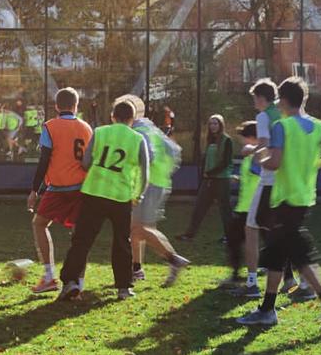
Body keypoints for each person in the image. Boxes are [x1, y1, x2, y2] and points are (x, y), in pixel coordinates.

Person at [236, 76, 321, 334]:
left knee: (298, 254)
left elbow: (274, 163)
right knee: (278, 253)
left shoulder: (283, 127)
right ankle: (267, 310)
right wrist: (317, 164)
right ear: (304, 99)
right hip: (304, 197)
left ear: (283, 101)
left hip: (284, 198)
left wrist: (257, 153)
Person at [58, 98, 149, 301]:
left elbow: (86, 162)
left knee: (82, 240)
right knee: (121, 243)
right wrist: (139, 194)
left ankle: (70, 282)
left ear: (112, 116)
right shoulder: (137, 139)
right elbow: (145, 172)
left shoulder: (100, 132)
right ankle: (124, 288)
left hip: (94, 192)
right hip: (121, 196)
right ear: (132, 119)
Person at [26, 87, 93, 296]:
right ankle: (79, 283)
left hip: (58, 187)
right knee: (80, 236)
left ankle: (48, 276)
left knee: (39, 224)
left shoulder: (50, 126)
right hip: (81, 187)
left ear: (56, 106)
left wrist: (34, 190)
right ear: (76, 106)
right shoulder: (86, 128)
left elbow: (44, 160)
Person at [239, 79, 302, 300]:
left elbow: (264, 143)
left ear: (260, 98)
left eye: (254, 98)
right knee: (278, 232)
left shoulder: (264, 116)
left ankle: (252, 282)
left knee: (251, 228)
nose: (254, 102)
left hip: (269, 179)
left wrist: (250, 148)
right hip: (287, 179)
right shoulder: (284, 114)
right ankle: (291, 278)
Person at [122, 94, 189, 287]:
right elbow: (175, 151)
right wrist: (165, 172)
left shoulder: (140, 131)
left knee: (140, 228)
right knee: (135, 229)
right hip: (158, 182)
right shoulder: (151, 128)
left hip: (148, 184)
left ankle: (174, 259)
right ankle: (137, 269)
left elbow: (148, 156)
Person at [178, 115, 233, 241]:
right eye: (211, 124)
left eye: (216, 123)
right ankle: (189, 234)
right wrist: (205, 175)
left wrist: (211, 173)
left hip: (221, 180)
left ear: (221, 125)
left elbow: (225, 162)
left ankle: (230, 236)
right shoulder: (209, 140)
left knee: (225, 210)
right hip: (208, 181)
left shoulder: (227, 140)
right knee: (199, 207)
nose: (213, 126)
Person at [222, 121, 261, 289]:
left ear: (253, 138)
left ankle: (239, 275)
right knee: (236, 240)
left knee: (235, 239)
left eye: (244, 138)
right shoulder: (250, 157)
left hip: (252, 207)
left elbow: (260, 174)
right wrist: (238, 179)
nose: (242, 142)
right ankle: (241, 273)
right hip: (245, 206)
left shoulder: (256, 156)